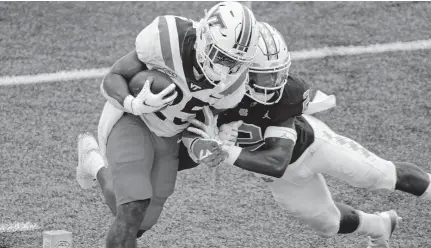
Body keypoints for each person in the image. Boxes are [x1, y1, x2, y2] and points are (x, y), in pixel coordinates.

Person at [185, 22, 431, 248]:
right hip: (278, 176)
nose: (273, 82)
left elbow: (277, 161)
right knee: (327, 224)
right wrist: (200, 145)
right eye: (264, 75)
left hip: (312, 146)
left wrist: (223, 148)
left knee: (378, 175)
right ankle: (379, 225)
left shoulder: (287, 94)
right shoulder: (212, 97)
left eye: (277, 73)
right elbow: (187, 138)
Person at [75, 2, 260, 248]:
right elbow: (113, 77)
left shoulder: (233, 85)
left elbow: (200, 120)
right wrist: (133, 103)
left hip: (169, 135)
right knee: (133, 206)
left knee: (141, 222)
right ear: (204, 37)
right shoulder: (169, 39)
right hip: (134, 120)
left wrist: (205, 143)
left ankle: (93, 162)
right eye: (222, 56)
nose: (225, 68)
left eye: (234, 62)